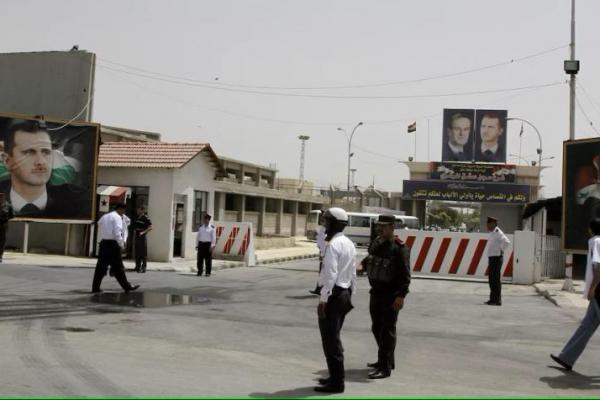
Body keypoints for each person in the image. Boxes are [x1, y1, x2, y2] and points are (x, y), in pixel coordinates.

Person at [0, 119, 86, 218]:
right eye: (29, 152)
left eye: (45, 152)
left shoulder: (75, 202)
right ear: (7, 160)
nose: (40, 162)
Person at [360, 214, 411, 379]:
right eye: (378, 225)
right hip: (375, 292)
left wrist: (401, 296)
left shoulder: (399, 248)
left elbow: (405, 275)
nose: (380, 228)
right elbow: (368, 259)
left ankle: (385, 367)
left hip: (391, 295)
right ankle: (386, 360)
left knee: (387, 331)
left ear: (392, 227)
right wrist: (362, 265)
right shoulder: (376, 243)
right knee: (377, 328)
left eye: (384, 226)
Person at [314, 207, 356, 394]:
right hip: (344, 293)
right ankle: (333, 376)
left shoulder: (333, 245)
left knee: (331, 341)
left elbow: (330, 274)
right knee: (333, 338)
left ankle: (337, 383)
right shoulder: (348, 243)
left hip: (333, 296)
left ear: (335, 224)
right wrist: (350, 293)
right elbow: (353, 272)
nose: (324, 225)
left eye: (327, 222)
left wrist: (324, 300)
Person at [551, 218, 600, 371]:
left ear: (591, 229)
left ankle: (567, 357)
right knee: (586, 326)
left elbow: (598, 265)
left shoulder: (596, 241)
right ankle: (567, 357)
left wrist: (593, 288)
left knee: (586, 326)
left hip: (599, 291)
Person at [91, 203, 140, 294]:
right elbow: (117, 232)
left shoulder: (105, 216)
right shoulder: (117, 217)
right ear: (121, 209)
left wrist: (104, 234)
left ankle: (95, 287)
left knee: (100, 267)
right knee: (118, 267)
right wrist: (121, 245)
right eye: (124, 211)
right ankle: (127, 286)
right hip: (113, 244)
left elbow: (99, 224)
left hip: (104, 243)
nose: (124, 213)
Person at [485, 216, 510, 306]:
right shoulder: (492, 233)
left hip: (497, 258)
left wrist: (501, 250)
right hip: (492, 258)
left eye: (488, 224)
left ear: (493, 224)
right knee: (491, 279)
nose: (487, 225)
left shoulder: (498, 232)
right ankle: (492, 299)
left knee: (496, 280)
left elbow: (507, 242)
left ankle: (498, 300)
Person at [309, 212, 327, 295]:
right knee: (322, 271)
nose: (321, 219)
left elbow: (322, 240)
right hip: (323, 251)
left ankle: (320, 289)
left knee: (323, 271)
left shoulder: (325, 228)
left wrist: (321, 252)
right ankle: (319, 288)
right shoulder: (324, 227)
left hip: (325, 252)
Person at [133, 206, 152, 273]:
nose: (138, 211)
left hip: (142, 236)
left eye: (139, 210)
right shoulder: (137, 217)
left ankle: (144, 267)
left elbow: (150, 227)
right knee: (137, 252)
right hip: (137, 235)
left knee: (143, 252)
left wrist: (143, 232)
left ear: (143, 211)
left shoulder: (146, 218)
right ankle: (137, 266)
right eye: (137, 210)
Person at [0, 193, 14, 262]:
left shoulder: (8, 206)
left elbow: (11, 216)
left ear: (4, 197)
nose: (0, 198)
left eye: (2, 197)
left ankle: (0, 256)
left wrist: (4, 219)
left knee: (2, 242)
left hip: (3, 226)